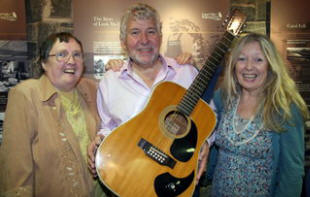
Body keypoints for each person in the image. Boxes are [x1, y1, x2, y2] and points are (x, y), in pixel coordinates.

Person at [87, 3, 219, 196]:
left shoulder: (187, 73)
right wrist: (100, 142)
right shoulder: (110, 80)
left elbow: (209, 116)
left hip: (173, 177)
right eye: (135, 33)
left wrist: (206, 142)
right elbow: (108, 127)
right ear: (123, 41)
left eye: (151, 31)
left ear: (161, 36)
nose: (144, 40)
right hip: (128, 181)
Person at [205, 33, 309, 197]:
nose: (248, 67)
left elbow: (292, 173)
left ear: (270, 65)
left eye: (258, 60)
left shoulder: (285, 108)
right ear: (234, 64)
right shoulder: (224, 97)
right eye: (242, 59)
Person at [0, 32, 101, 197]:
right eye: (61, 54)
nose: (71, 61)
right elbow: (15, 166)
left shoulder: (91, 89)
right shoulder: (26, 94)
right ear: (44, 63)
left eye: (77, 55)